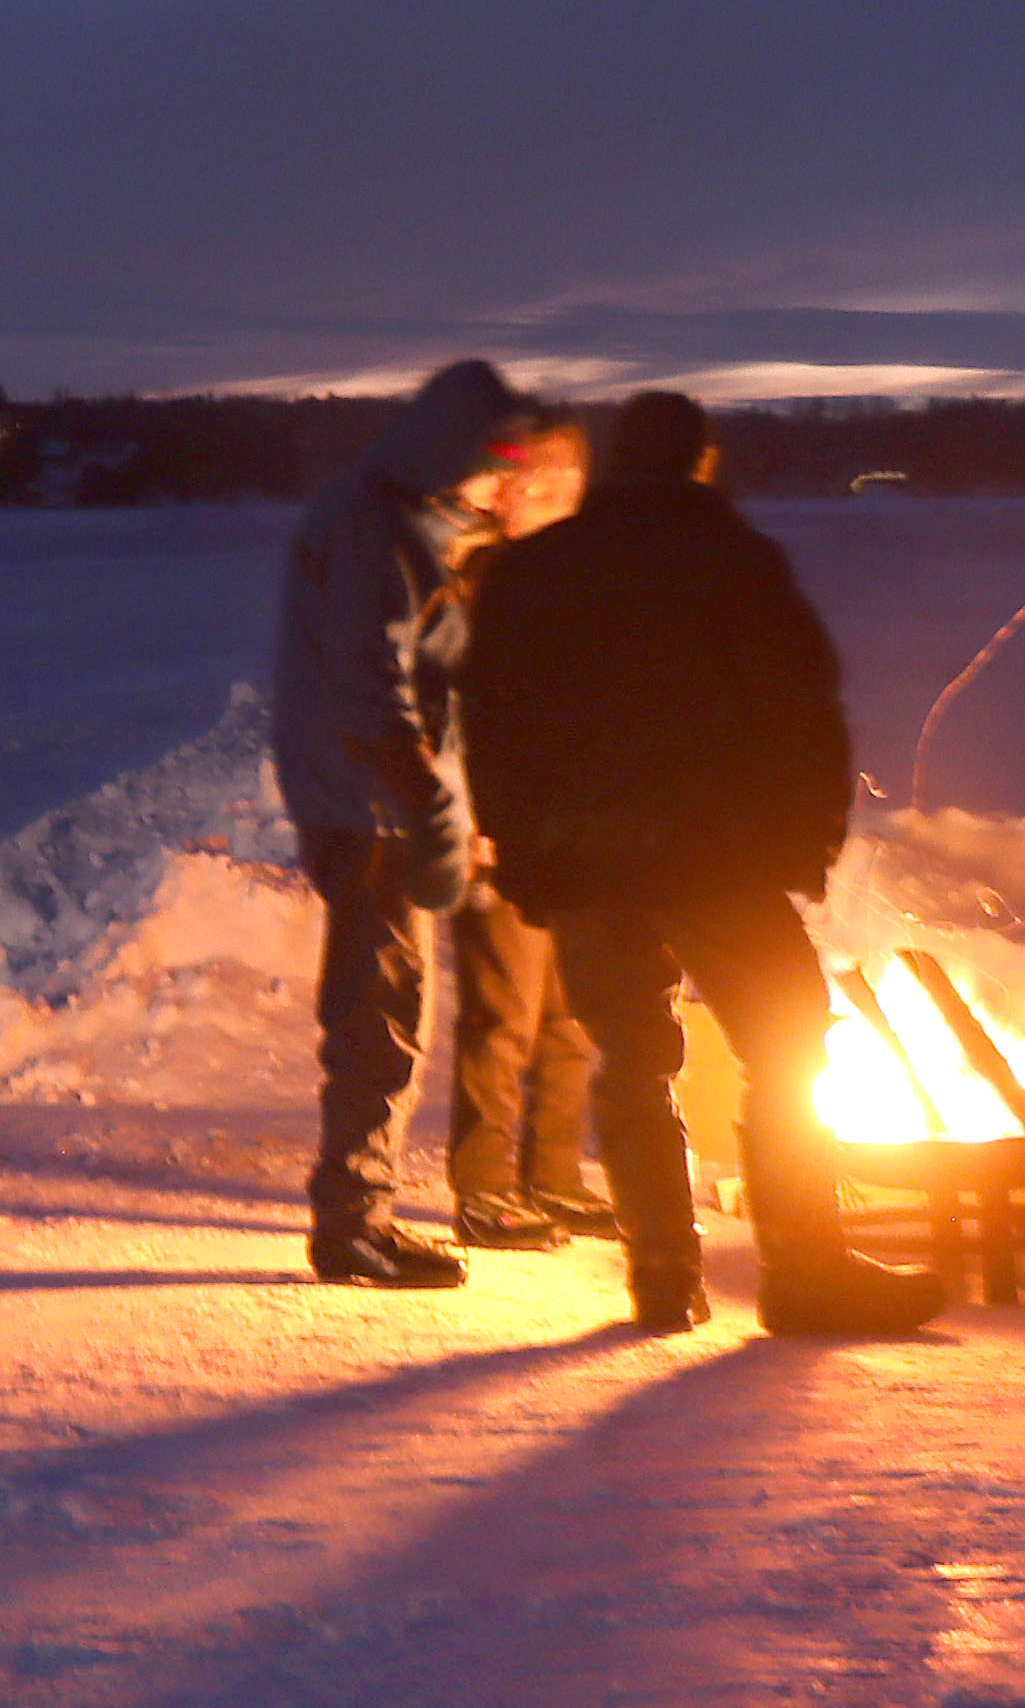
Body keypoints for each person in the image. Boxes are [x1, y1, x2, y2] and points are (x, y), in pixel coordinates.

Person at [466, 385, 948, 1339]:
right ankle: (804, 1270)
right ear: (701, 460)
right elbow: (801, 704)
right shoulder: (734, 561)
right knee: (789, 1040)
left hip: (587, 856)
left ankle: (661, 1277)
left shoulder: (537, 570)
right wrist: (809, 834)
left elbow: (494, 721)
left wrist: (521, 844)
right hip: (711, 854)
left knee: (633, 1059)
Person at [269, 359, 578, 1287]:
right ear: (456, 454)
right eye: (495, 470)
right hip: (367, 809)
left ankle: (357, 1211)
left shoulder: (397, 519)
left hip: (368, 800)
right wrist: (434, 809)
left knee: (389, 1006)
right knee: (380, 1010)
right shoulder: (383, 531)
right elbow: (376, 699)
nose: (500, 492)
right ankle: (355, 1223)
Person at [440, 417, 613, 1249]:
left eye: (551, 489)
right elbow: (452, 713)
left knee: (570, 1012)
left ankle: (553, 1176)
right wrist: (470, 816)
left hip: (572, 826)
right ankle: (484, 1189)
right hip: (497, 826)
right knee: (502, 1012)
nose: (530, 502)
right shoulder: (474, 577)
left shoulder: (580, 576)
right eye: (521, 487)